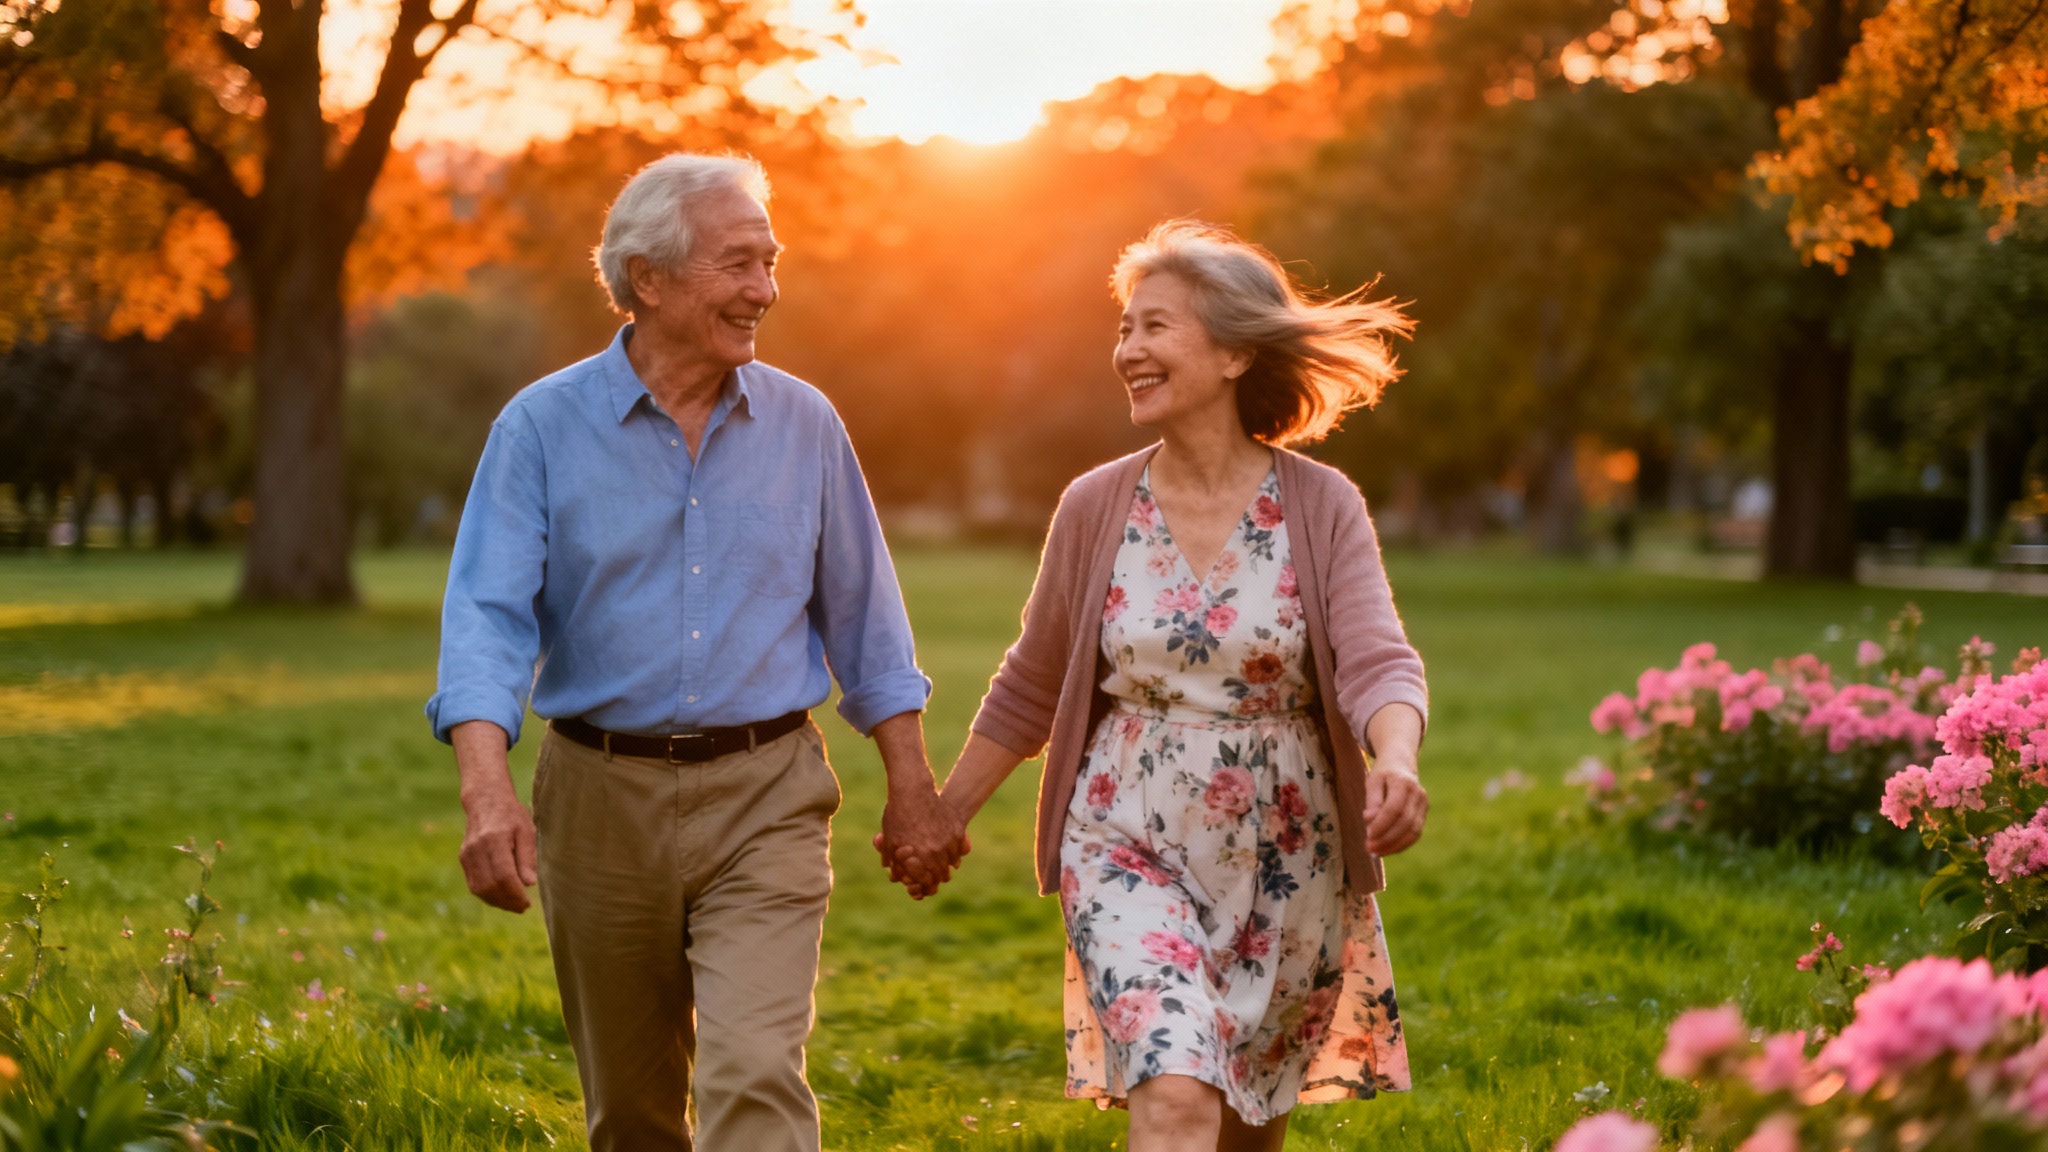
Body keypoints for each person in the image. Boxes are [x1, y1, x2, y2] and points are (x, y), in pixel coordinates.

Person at [427, 153, 966, 1152]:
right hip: (598, 798)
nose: (765, 290)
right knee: (632, 1118)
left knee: (753, 1072)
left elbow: (866, 619)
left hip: (767, 792)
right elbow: (485, 621)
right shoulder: (540, 428)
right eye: (738, 263)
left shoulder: (804, 424)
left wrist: (912, 787)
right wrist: (485, 793)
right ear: (649, 277)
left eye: (770, 262)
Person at [917, 220, 1430, 1152]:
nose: (1129, 350)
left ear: (1236, 352)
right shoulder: (1095, 505)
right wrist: (944, 815)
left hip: (1287, 857)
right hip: (1124, 834)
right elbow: (1032, 682)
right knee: (1178, 1091)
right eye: (1125, 329)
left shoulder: (1321, 504)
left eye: (1156, 326)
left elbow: (1376, 659)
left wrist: (1395, 759)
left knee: (1244, 1124)